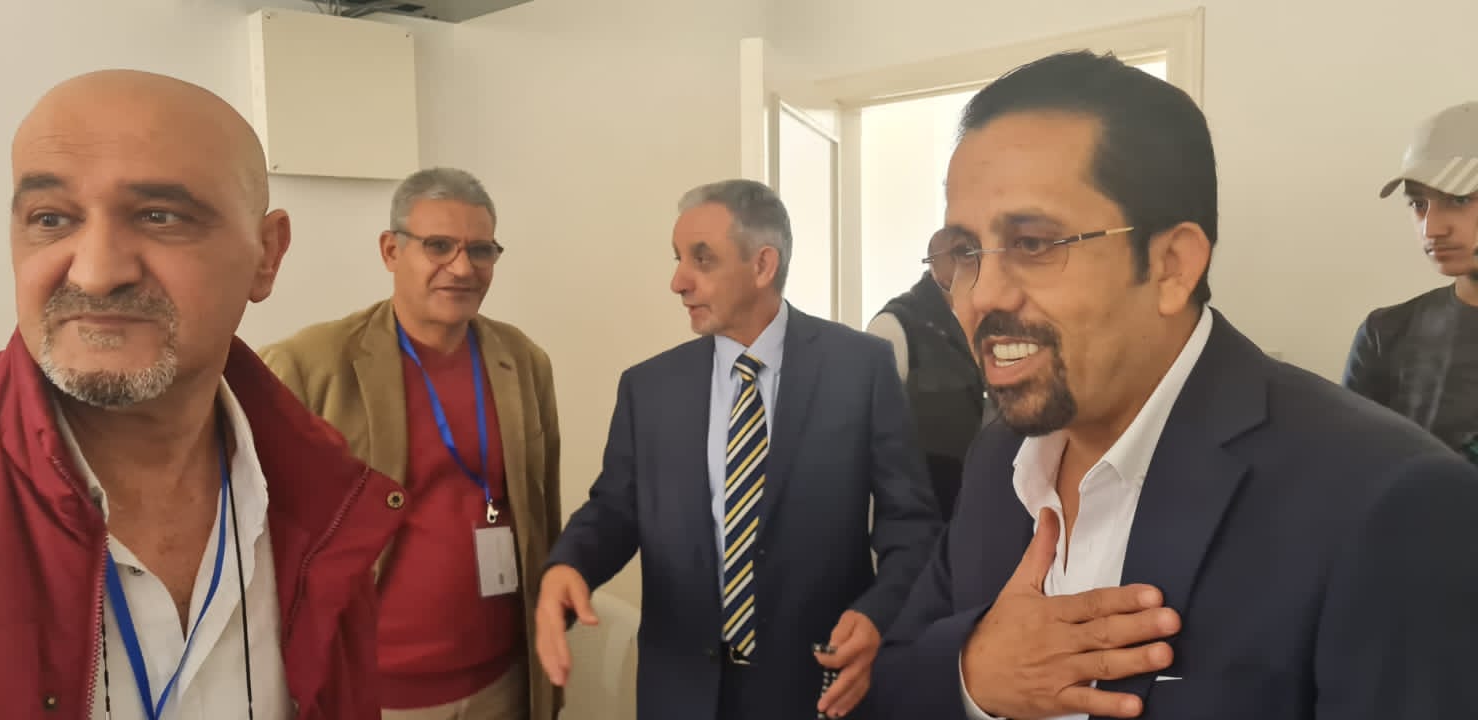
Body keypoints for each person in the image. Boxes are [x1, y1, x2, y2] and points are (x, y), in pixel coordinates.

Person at [865, 51, 1478, 720]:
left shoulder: (1389, 501)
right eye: (964, 253)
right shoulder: (998, 460)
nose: (981, 294)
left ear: (1171, 265)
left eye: (1033, 244)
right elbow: (895, 677)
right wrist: (974, 674)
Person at [0, 70, 406, 719]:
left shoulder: (324, 493)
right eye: (51, 219)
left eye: (160, 217)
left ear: (266, 255)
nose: (97, 274)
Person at [533, 179, 941, 720]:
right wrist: (570, 564)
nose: (678, 281)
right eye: (678, 258)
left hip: (817, 686)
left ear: (763, 265)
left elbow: (911, 526)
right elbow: (613, 510)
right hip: (681, 691)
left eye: (701, 259)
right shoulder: (649, 388)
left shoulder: (860, 369)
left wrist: (878, 615)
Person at [260, 167, 561, 720]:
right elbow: (261, 538)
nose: (462, 268)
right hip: (371, 690)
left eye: (481, 250)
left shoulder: (522, 362)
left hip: (502, 680)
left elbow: (543, 512)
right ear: (391, 250)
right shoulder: (309, 366)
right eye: (439, 246)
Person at [1344, 101, 1478, 460]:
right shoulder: (1385, 334)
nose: (1432, 229)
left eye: (1459, 200)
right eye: (1419, 205)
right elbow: (1353, 469)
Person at [865, 228, 986, 516]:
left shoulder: (994, 317)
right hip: (925, 515)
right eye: (964, 253)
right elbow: (872, 445)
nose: (975, 262)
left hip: (985, 504)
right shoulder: (894, 326)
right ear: (936, 261)